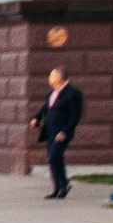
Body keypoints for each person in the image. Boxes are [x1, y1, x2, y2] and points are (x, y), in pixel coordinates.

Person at [32, 67, 83, 199]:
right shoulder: (51, 91)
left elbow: (75, 116)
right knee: (53, 158)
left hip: (62, 132)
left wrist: (65, 131)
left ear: (59, 77)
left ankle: (63, 183)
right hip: (50, 130)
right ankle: (58, 188)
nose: (49, 78)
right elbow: (46, 106)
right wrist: (37, 118)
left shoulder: (73, 93)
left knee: (54, 156)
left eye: (51, 76)